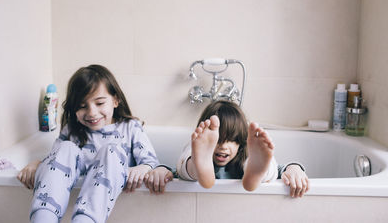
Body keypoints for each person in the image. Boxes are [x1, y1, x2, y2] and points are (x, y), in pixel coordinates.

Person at [18, 65, 172, 223]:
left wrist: (144, 167)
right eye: (82, 106)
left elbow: (152, 163)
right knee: (65, 148)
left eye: (99, 103)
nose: (91, 112)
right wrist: (37, 164)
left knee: (111, 151)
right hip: (51, 209)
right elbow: (56, 165)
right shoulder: (72, 131)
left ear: (115, 100)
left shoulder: (130, 127)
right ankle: (44, 218)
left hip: (97, 206)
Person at [176, 100, 309, 197]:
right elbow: (173, 173)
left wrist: (294, 168)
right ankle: (198, 168)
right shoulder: (198, 148)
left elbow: (282, 169)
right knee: (188, 164)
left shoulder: (243, 152)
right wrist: (162, 171)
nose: (223, 146)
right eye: (218, 140)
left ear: (241, 142)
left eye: (232, 139)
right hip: (197, 165)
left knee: (257, 163)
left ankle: (255, 173)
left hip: (245, 166)